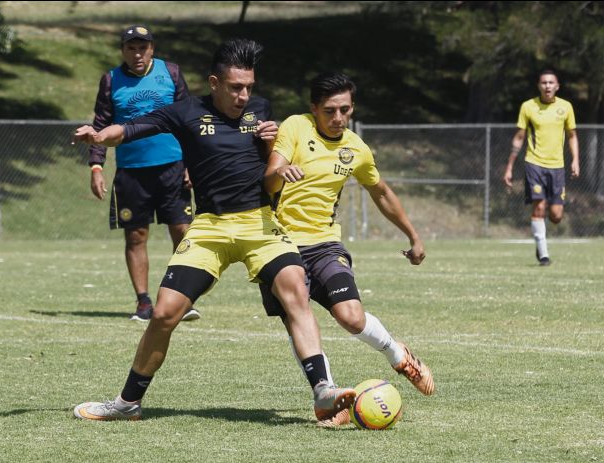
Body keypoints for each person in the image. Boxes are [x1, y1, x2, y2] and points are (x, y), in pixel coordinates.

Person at [72, 39, 355, 426]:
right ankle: (127, 403)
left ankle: (324, 392)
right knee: (165, 313)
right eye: (236, 87)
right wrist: (101, 138)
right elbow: (137, 127)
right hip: (210, 227)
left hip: (260, 223)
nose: (244, 96)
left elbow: (273, 164)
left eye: (249, 87)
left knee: (295, 289)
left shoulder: (261, 110)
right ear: (214, 82)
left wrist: (271, 143)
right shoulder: (186, 111)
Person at [260, 72, 435, 416]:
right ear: (313, 109)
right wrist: (279, 173)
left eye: (345, 110)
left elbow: (380, 191)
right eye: (329, 111)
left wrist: (413, 236)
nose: (338, 118)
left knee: (351, 317)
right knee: (298, 319)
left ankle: (399, 356)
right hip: (277, 246)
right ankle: (325, 394)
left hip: (325, 245)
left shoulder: (356, 148)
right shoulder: (295, 127)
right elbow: (268, 179)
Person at [88, 25, 199, 322]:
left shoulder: (171, 73)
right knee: (136, 236)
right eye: (131, 48)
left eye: (143, 47)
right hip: (132, 172)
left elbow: (190, 120)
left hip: (173, 167)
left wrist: (192, 163)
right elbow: (100, 124)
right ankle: (143, 302)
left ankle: (182, 298)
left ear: (152, 49)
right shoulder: (111, 80)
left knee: (183, 232)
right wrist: (96, 166)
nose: (137, 53)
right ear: (123, 50)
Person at [503, 69, 580, 266]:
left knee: (555, 216)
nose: (547, 86)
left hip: (557, 167)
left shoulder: (566, 107)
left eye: (551, 83)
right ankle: (543, 254)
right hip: (534, 163)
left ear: (557, 86)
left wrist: (575, 160)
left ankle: (541, 237)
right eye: (544, 82)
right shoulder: (528, 107)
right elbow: (519, 138)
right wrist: (509, 166)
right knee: (539, 207)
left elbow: (572, 136)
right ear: (539, 86)